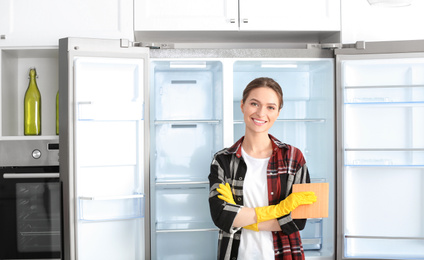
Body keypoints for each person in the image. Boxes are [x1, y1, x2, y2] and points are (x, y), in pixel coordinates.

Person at [208, 77, 317, 260]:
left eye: (270, 107)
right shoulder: (223, 160)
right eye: (254, 104)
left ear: (278, 112)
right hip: (236, 254)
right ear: (242, 106)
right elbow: (220, 216)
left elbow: (297, 221)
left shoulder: (293, 158)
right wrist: (279, 210)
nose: (261, 113)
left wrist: (241, 218)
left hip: (284, 254)